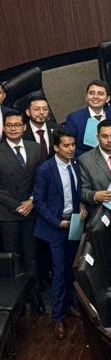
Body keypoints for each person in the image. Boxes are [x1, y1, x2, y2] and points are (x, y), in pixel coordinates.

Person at [33, 127, 87, 339]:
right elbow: (39, 201)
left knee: (70, 270)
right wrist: (57, 222)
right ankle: (57, 317)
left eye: (73, 145)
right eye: (66, 146)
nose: (71, 149)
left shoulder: (75, 164)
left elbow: (76, 192)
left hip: (73, 224)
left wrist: (81, 204)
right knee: (58, 271)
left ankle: (67, 305)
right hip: (55, 228)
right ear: (56, 147)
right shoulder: (45, 169)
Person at [0, 111, 40, 272]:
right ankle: (17, 297)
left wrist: (32, 200)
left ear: (24, 127)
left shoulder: (35, 149)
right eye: (9, 125)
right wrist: (16, 206)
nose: (13, 129)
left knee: (32, 255)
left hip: (32, 211)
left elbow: (42, 179)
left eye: (17, 125)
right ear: (3, 128)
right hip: (8, 213)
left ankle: (35, 294)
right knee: (13, 258)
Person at [64, 80, 111, 156]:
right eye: (91, 93)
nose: (95, 97)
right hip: (86, 161)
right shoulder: (74, 118)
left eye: (100, 94)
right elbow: (71, 148)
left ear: (107, 99)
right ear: (86, 97)